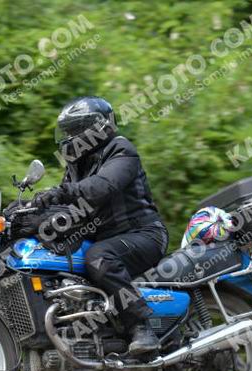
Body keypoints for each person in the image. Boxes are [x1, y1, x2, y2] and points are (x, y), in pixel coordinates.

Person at [32, 96, 169, 355]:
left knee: (99, 257)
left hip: (143, 234)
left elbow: (102, 187)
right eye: (66, 132)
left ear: (96, 128)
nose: (68, 138)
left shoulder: (121, 150)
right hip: (106, 238)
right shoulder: (77, 165)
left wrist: (60, 192)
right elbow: (69, 206)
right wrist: (32, 210)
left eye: (73, 130)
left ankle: (141, 327)